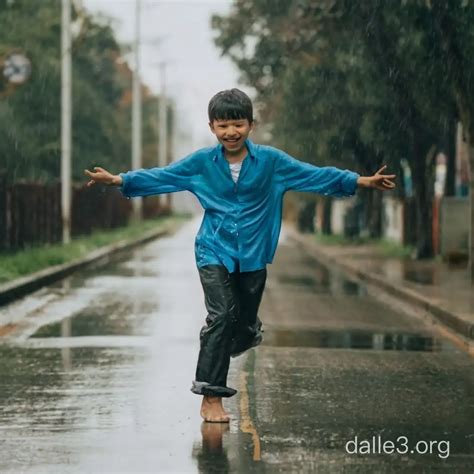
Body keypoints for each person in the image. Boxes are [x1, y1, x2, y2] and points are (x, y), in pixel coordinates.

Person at [84, 88, 396, 423]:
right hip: (213, 249)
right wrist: (119, 180)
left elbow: (313, 174)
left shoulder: (272, 163)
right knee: (221, 316)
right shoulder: (201, 164)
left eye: (237, 124)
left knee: (243, 326)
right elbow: (164, 176)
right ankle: (211, 395)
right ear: (212, 128)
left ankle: (235, 335)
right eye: (223, 126)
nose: (230, 132)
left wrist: (360, 181)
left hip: (253, 253)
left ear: (251, 125)